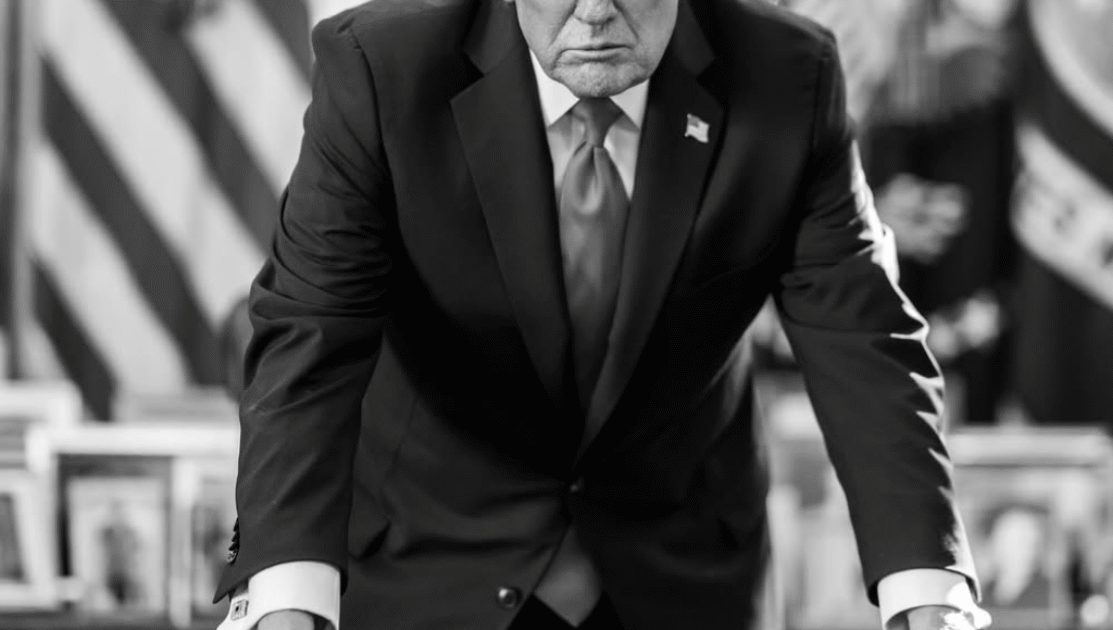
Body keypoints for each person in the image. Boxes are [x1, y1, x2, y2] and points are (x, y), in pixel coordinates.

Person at [216, 0, 991, 628]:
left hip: (683, 570)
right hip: (430, 560)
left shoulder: (791, 77)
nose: (592, 14)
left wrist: (929, 596)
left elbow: (865, 341)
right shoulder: (379, 69)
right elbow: (311, 337)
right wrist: (287, 600)